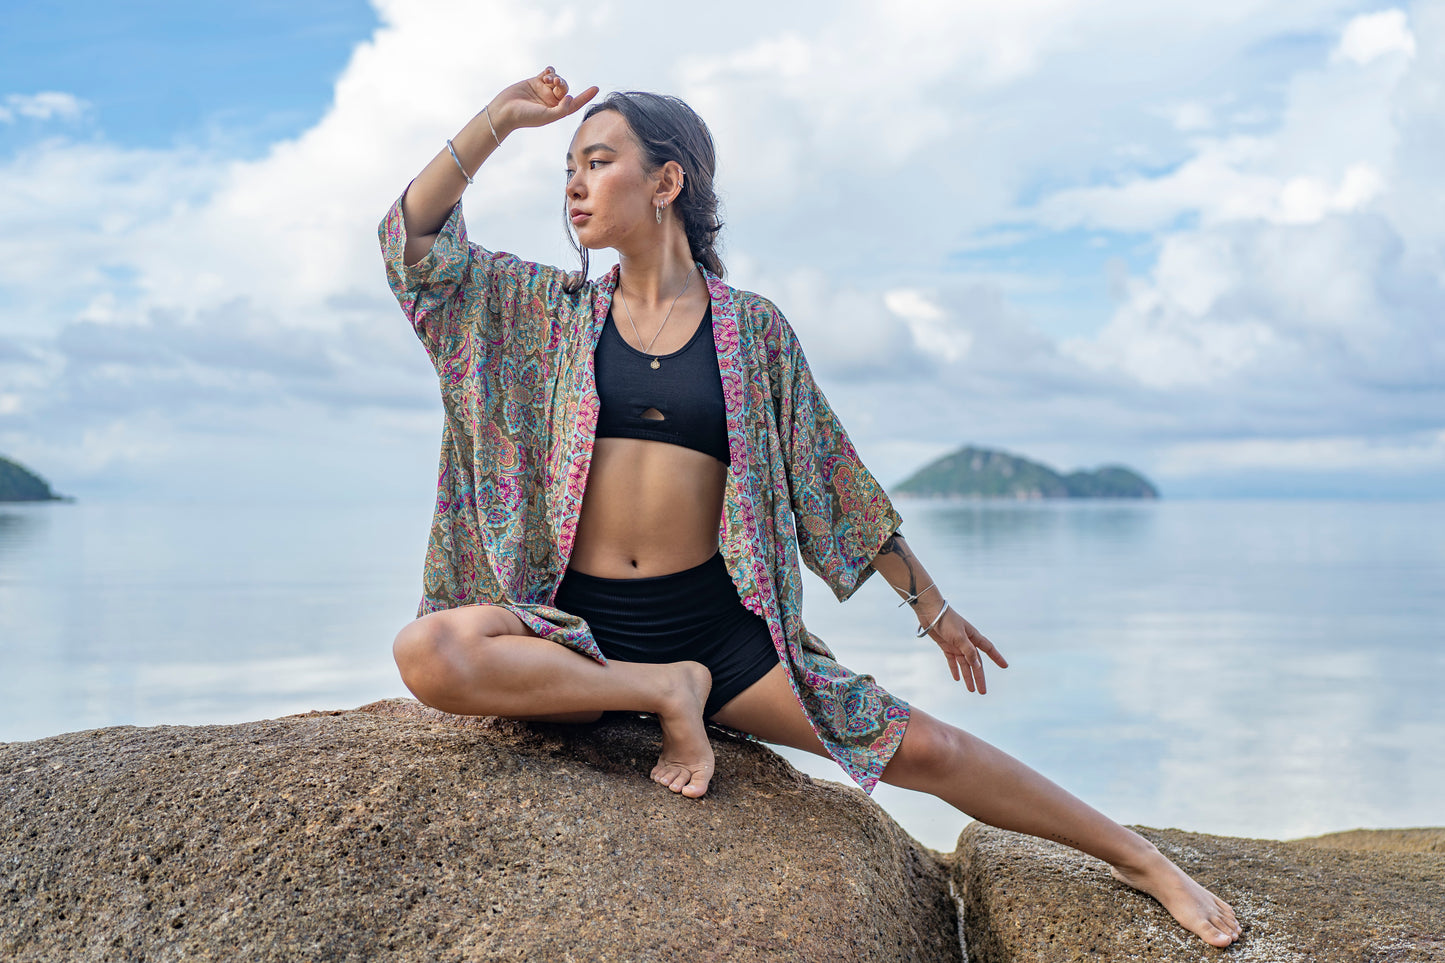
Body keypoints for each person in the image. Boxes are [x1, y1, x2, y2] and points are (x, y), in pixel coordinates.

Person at [380, 66, 1242, 949]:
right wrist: (497, 120)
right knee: (429, 650)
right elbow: (413, 246)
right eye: (567, 165)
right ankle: (657, 692)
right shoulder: (546, 313)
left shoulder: (752, 331)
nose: (572, 183)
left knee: (931, 751)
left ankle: (1140, 859)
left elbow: (832, 479)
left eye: (597, 161)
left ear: (666, 182)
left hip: (718, 636)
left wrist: (931, 607)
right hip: (576, 634)